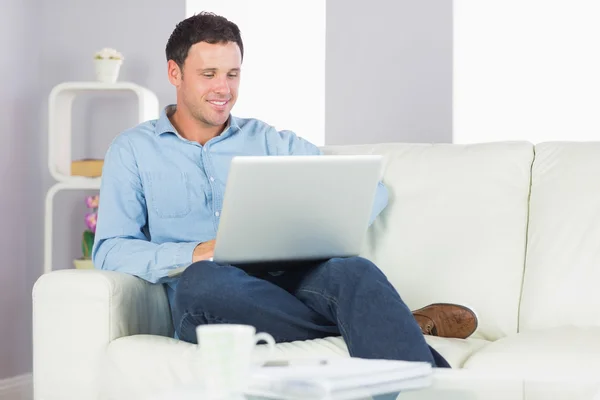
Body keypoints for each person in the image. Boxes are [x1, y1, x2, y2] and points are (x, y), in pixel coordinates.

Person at [92, 12, 477, 368]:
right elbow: (110, 248)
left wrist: (311, 229)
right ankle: (394, 323)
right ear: (175, 73)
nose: (223, 88)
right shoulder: (133, 150)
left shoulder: (269, 140)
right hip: (212, 296)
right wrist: (194, 252)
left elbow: (369, 192)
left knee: (353, 271)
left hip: (293, 280)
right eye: (208, 74)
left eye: (233, 74)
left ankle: (408, 359)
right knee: (202, 281)